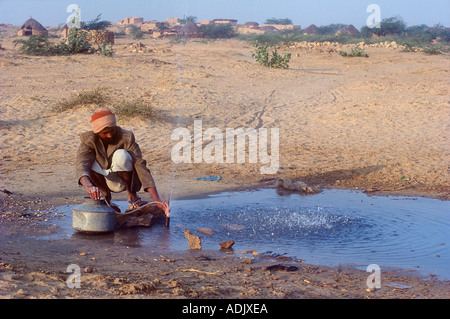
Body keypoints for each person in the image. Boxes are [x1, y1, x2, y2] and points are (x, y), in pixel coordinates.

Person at [75, 108, 169, 215]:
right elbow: (81, 165)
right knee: (88, 162)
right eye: (105, 133)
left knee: (121, 155)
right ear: (97, 133)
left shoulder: (126, 137)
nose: (109, 135)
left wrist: (157, 200)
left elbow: (141, 166)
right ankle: (106, 199)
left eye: (112, 131)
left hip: (121, 180)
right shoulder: (88, 140)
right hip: (102, 179)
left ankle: (132, 195)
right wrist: (89, 187)